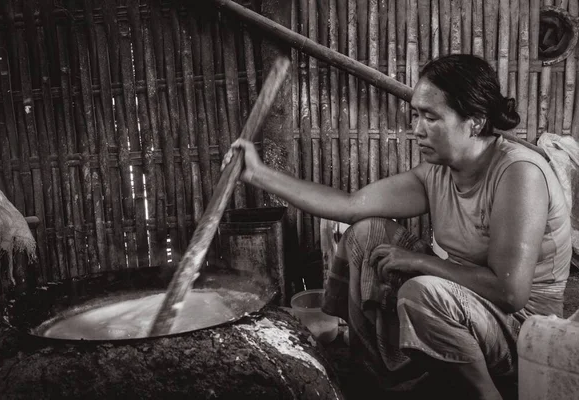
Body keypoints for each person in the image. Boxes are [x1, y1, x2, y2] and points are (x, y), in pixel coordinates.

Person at [221, 54, 572, 400]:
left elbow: (510, 293)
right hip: (461, 303)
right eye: (416, 114)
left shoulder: (518, 172)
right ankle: (381, 377)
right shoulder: (437, 173)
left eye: (431, 117)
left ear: (475, 121)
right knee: (365, 233)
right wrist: (257, 173)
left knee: (422, 294)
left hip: (525, 328)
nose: (416, 129)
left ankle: (486, 394)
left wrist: (420, 262)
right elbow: (349, 206)